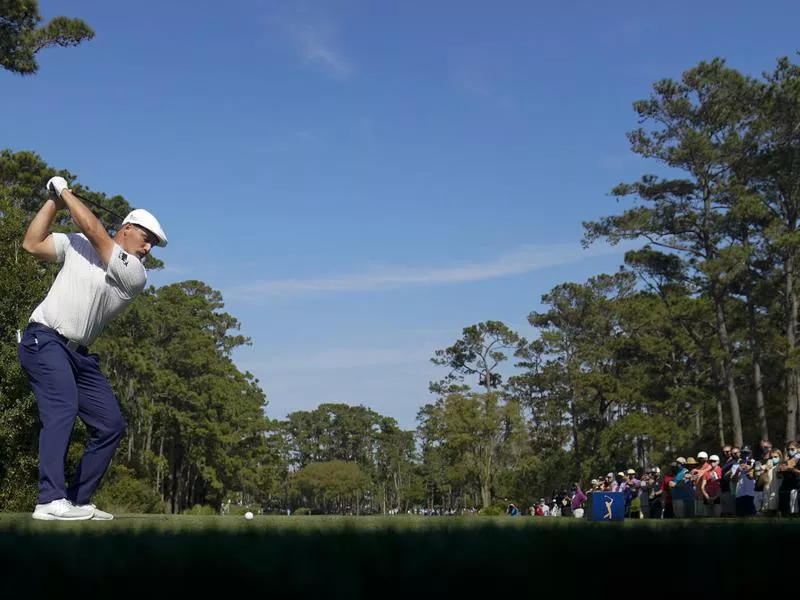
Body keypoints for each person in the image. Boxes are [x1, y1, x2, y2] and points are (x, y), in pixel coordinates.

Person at [18, 176, 167, 521]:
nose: (148, 250)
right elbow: (31, 243)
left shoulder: (135, 275)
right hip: (45, 339)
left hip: (79, 356)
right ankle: (49, 500)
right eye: (146, 240)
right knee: (63, 407)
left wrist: (66, 192)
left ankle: (79, 499)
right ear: (127, 228)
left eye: (152, 246)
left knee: (111, 423)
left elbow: (98, 233)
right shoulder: (77, 244)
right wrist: (53, 200)